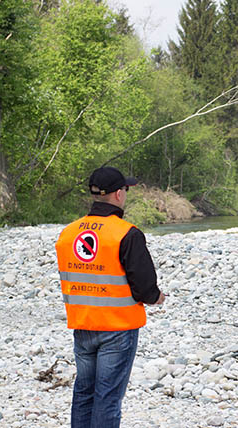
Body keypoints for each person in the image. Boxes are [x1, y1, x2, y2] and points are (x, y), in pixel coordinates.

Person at [55, 166, 165, 427]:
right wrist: (157, 297)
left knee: (84, 393)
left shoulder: (68, 233)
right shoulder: (127, 233)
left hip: (83, 325)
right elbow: (144, 287)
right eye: (126, 190)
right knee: (107, 399)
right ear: (118, 194)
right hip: (118, 327)